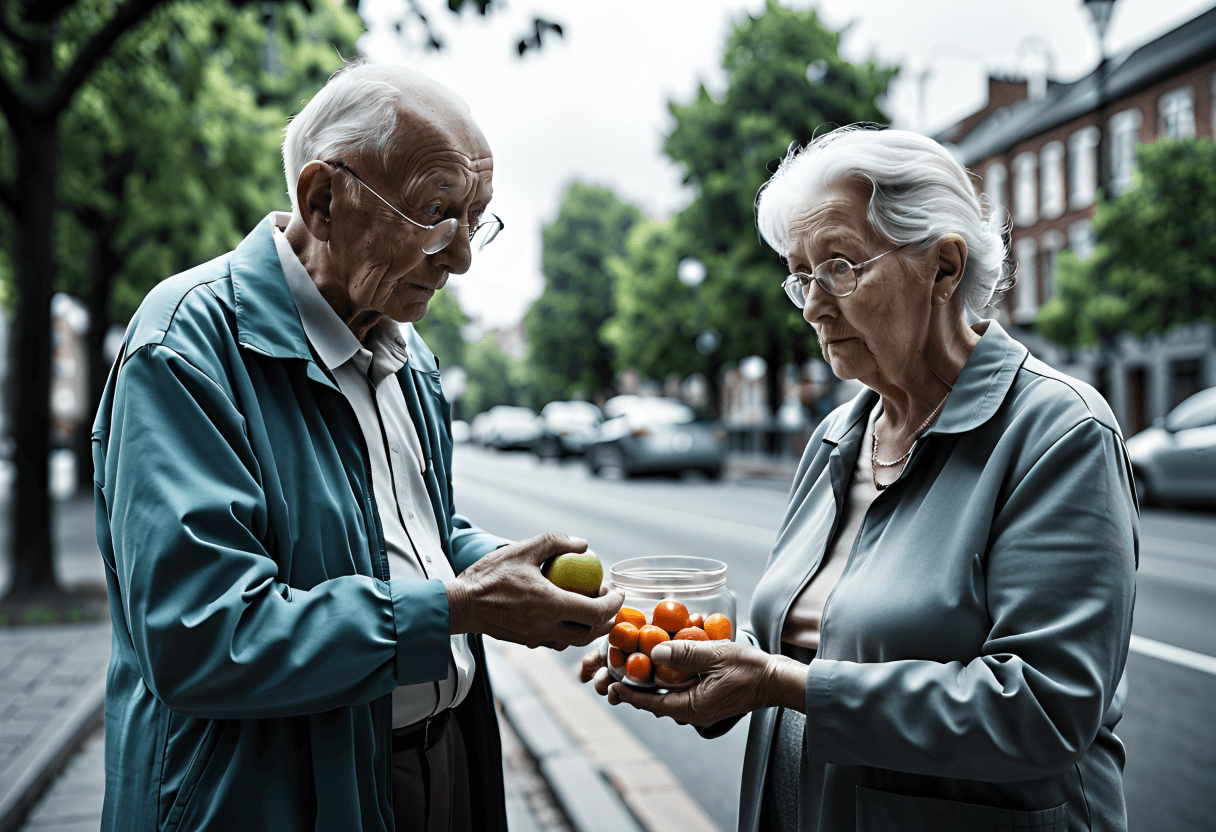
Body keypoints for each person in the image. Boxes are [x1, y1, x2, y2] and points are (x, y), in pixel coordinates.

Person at [93, 62, 623, 832]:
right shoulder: (185, 346)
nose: (464, 256)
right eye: (437, 213)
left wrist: (515, 570)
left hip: (435, 762)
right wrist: (457, 607)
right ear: (322, 199)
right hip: (264, 797)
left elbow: (406, 536)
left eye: (478, 219)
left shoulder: (408, 353)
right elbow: (203, 637)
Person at [583, 126, 1138, 831]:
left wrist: (785, 684)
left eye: (840, 267)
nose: (813, 306)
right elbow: (807, 654)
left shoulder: (1059, 432)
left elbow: (1042, 711)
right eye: (801, 277)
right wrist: (709, 671)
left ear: (943, 267)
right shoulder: (838, 435)